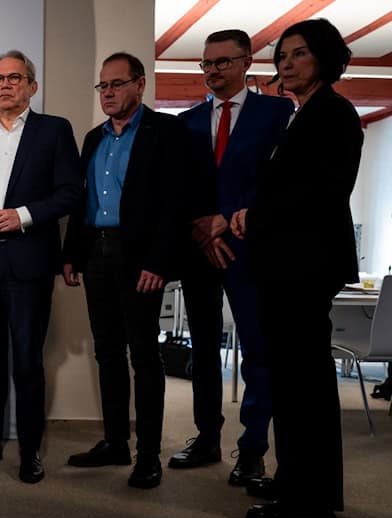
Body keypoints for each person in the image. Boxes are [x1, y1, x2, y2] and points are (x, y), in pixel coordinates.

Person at [232, 19, 363, 518]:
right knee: (294, 384)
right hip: (287, 264)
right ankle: (300, 483)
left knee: (302, 387)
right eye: (283, 54)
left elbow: (317, 195)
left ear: (325, 58)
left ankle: (307, 506)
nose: (287, 62)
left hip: (303, 267)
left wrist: (253, 217)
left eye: (300, 53)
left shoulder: (333, 113)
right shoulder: (302, 114)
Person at [0, 50, 82, 484]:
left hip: (29, 262)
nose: (5, 85)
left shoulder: (54, 131)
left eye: (15, 78)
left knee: (26, 362)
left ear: (32, 87)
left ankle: (30, 452)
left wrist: (20, 214)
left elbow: (69, 193)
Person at [169, 30, 294, 486]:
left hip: (252, 247)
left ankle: (253, 449)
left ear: (246, 62)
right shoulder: (186, 122)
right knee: (202, 351)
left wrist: (227, 219)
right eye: (206, 64)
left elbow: (280, 181)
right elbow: (178, 188)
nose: (213, 71)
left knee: (257, 351)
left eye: (222, 62)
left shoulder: (278, 112)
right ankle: (206, 438)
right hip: (200, 249)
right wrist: (202, 228)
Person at [62, 52, 189, 489]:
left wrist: (158, 261)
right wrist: (72, 255)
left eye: (117, 84)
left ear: (140, 84)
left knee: (144, 357)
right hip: (96, 252)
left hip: (139, 258)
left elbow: (174, 205)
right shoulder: (94, 137)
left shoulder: (166, 132)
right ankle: (115, 442)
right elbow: (83, 204)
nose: (109, 93)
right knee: (107, 352)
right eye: (103, 86)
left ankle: (148, 456)